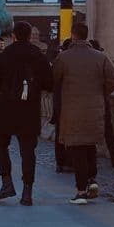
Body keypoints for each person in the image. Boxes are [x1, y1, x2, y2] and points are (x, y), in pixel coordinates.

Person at [0, 21, 53, 206]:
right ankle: (27, 192)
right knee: (28, 151)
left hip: (7, 108)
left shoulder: (4, 55)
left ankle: (7, 183)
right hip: (29, 110)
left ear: (14, 36)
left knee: (0, 144)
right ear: (29, 35)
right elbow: (50, 83)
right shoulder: (38, 56)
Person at [53, 23, 114, 204]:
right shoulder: (100, 57)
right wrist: (101, 91)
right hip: (95, 109)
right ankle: (92, 180)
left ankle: (81, 190)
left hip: (72, 111)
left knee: (78, 150)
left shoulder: (64, 58)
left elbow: (54, 80)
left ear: (73, 35)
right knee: (90, 146)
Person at [88, 39, 114, 168]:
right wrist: (104, 91)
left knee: (87, 131)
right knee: (108, 129)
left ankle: (90, 159)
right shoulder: (102, 59)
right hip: (101, 99)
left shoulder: (85, 61)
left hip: (85, 101)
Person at [50, 37, 72, 173]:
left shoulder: (60, 61)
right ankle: (69, 162)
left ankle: (61, 162)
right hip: (71, 104)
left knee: (60, 134)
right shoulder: (68, 61)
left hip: (60, 103)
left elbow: (52, 80)